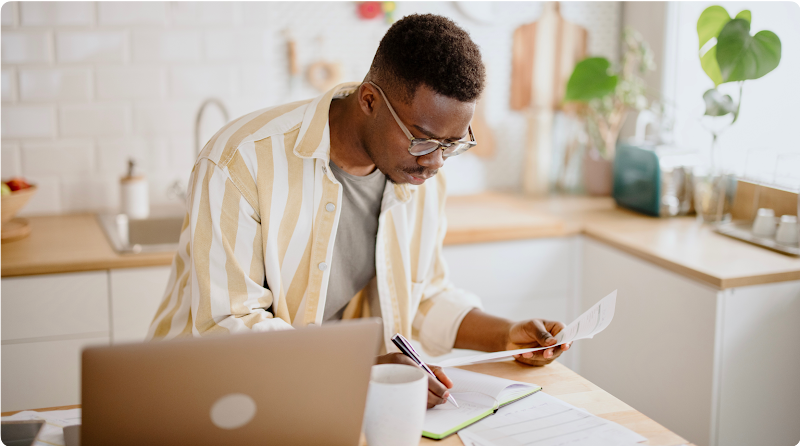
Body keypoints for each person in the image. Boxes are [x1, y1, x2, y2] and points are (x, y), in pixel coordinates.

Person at [147, 13, 570, 408]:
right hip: (211, 397)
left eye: (452, 145)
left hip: (328, 396)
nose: (436, 162)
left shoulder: (420, 171)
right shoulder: (241, 161)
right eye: (422, 140)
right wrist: (360, 371)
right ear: (369, 101)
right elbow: (229, 324)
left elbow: (421, 296)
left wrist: (507, 335)